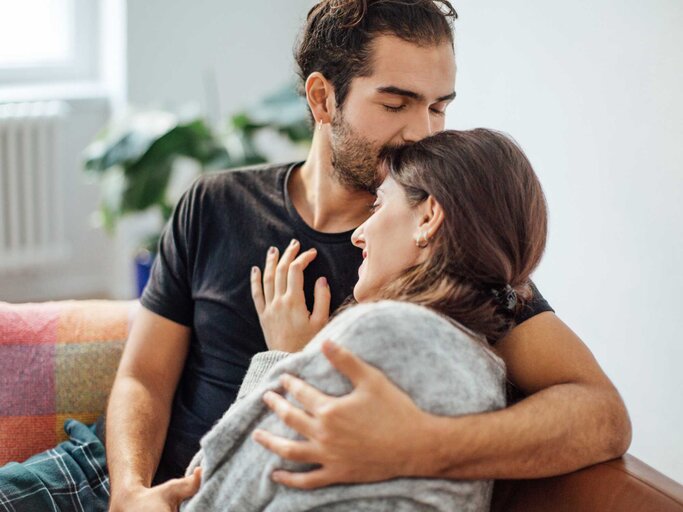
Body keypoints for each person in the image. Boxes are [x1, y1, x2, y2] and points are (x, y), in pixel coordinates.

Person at [0, 1, 630, 511]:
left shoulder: (438, 244)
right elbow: (142, 376)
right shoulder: (215, 204)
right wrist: (132, 492)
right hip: (103, 480)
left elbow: (600, 414)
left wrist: (424, 445)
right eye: (396, 103)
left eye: (438, 106)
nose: (424, 132)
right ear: (324, 99)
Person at [181, 128, 547, 511]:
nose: (358, 234)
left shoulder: (379, 332)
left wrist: (282, 358)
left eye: (378, 206)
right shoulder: (487, 370)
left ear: (429, 217)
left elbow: (208, 494)